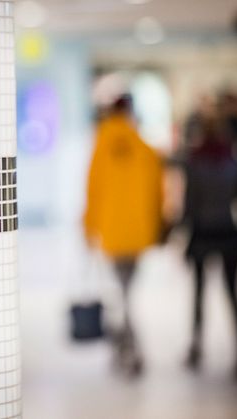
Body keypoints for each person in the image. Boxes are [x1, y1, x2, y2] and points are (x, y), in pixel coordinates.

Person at [84, 94, 164, 377]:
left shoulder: (102, 143)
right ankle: (127, 348)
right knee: (126, 292)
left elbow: (93, 187)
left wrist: (88, 226)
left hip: (111, 231)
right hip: (138, 232)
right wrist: (157, 226)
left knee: (122, 293)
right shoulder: (143, 146)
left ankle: (127, 349)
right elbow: (158, 191)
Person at [181, 94, 237, 381]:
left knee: (199, 293)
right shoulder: (234, 161)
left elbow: (189, 204)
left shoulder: (193, 161)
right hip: (229, 233)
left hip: (202, 233)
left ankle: (196, 347)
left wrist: (180, 231)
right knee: (233, 293)